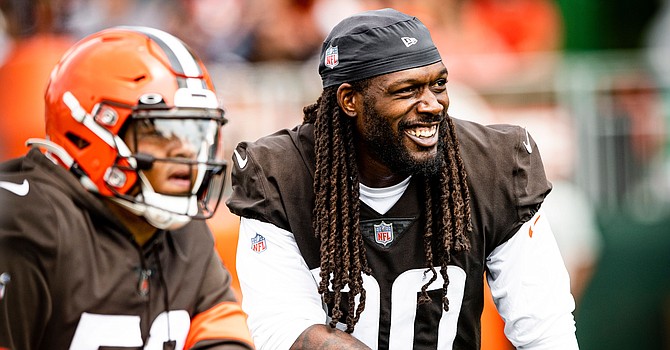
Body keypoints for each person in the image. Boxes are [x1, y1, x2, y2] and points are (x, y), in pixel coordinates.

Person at [227, 8, 578, 350]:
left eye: (438, 84)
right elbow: (284, 330)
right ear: (350, 100)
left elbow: (545, 328)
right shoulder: (280, 174)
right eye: (407, 90)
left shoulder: (493, 166)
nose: (433, 105)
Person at [0, 26, 254, 350]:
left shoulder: (184, 232)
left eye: (194, 132)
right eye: (160, 130)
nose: (187, 151)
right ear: (89, 132)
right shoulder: (27, 223)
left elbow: (225, 338)